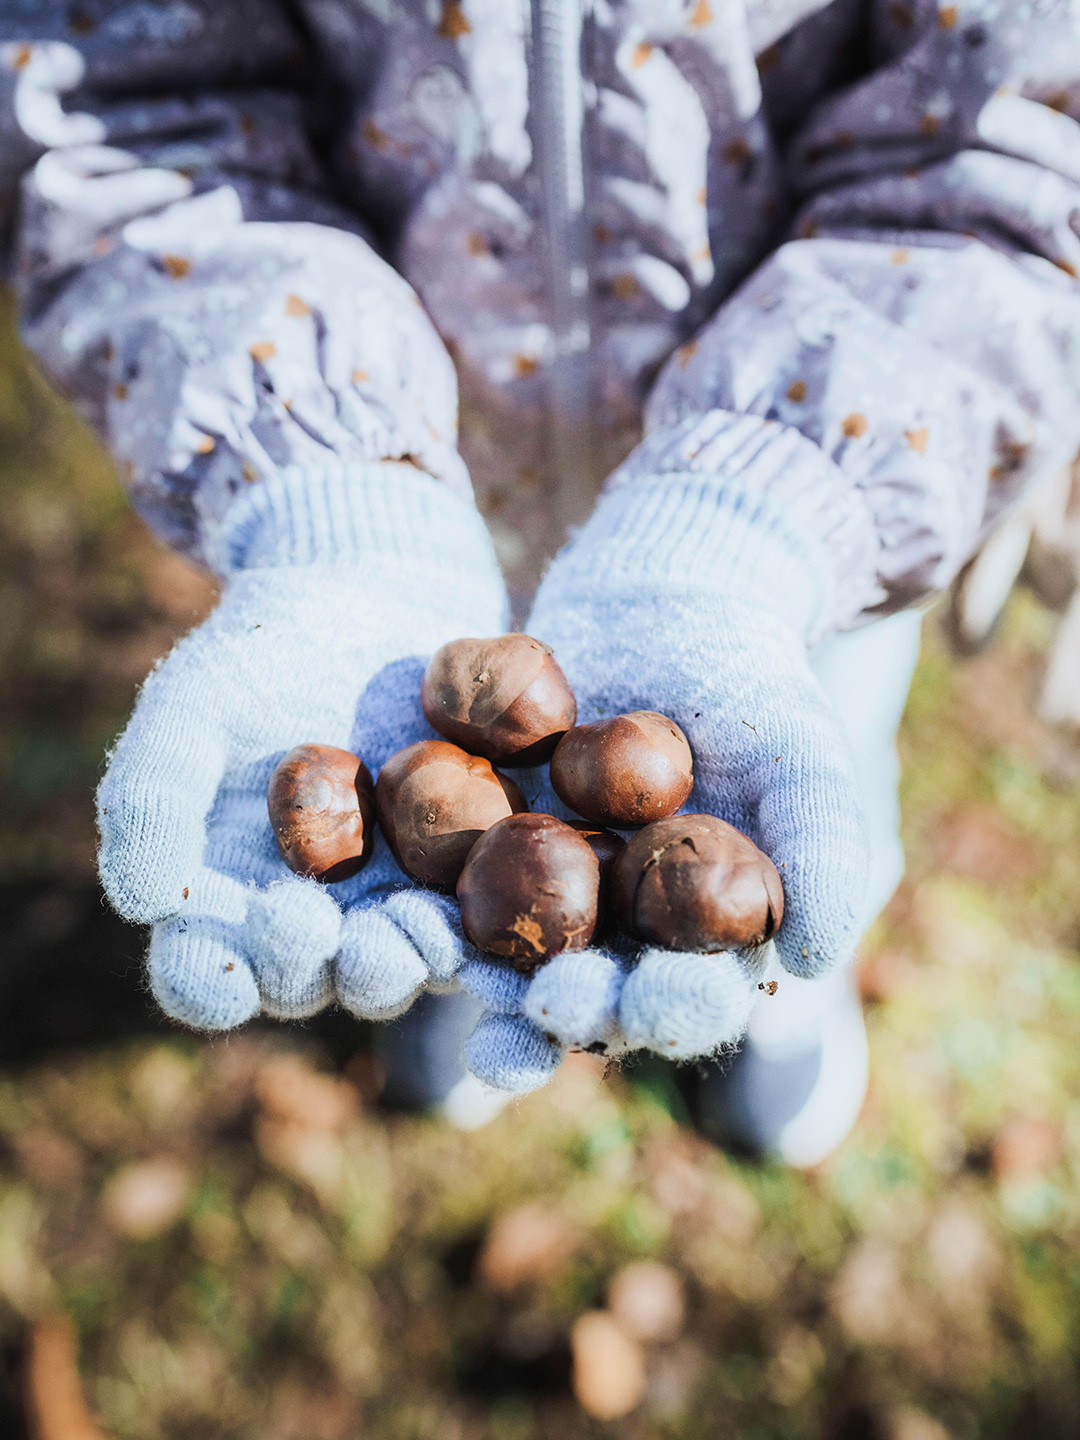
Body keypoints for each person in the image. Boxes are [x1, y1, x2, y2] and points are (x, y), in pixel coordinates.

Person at [4, 0, 1080, 1166]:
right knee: (453, 856)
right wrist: (329, 476)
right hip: (423, 451)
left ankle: (784, 986)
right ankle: (456, 975)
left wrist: (767, 505)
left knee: (800, 759)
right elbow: (117, 102)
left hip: (787, 512)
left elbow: (1016, 144)